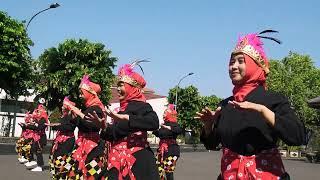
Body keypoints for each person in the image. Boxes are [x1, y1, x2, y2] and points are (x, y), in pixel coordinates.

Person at [195, 30, 306, 179]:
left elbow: (297, 136)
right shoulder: (226, 104)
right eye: (231, 62)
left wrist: (263, 110)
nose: (233, 66)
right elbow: (212, 145)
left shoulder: (274, 100)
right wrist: (208, 126)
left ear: (255, 65)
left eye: (241, 61)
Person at [90, 61, 160, 180]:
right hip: (116, 158)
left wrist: (127, 118)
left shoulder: (142, 106)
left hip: (138, 160)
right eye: (118, 85)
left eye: (121, 85)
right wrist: (104, 127)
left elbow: (154, 122)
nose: (118, 89)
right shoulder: (121, 109)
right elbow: (115, 134)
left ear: (132, 88)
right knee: (92, 171)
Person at [65, 75, 108, 179]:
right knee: (70, 169)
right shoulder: (88, 108)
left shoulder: (97, 108)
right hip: (81, 144)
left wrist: (78, 113)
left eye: (81, 93)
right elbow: (81, 125)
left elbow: (92, 125)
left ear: (89, 93)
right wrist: (74, 116)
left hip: (93, 147)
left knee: (91, 174)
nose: (80, 96)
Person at [48, 97, 76, 179]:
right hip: (60, 140)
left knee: (62, 159)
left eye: (64, 106)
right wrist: (55, 126)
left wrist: (58, 126)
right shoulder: (63, 116)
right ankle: (57, 175)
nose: (62, 107)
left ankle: (62, 176)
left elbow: (70, 127)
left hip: (67, 141)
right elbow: (61, 126)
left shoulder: (71, 116)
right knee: (56, 157)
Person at [153, 104, 182, 180]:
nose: (163, 115)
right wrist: (154, 129)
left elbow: (179, 130)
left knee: (168, 171)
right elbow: (160, 134)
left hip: (172, 151)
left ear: (170, 115)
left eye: (165, 113)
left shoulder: (175, 125)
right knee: (157, 170)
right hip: (161, 151)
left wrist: (169, 128)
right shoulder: (163, 125)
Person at [24, 98, 49, 172]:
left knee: (38, 151)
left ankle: (40, 166)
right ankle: (34, 162)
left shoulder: (43, 119)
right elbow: (36, 126)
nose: (37, 112)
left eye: (39, 111)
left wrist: (29, 126)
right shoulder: (39, 119)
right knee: (33, 148)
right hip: (37, 137)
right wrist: (28, 125)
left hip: (41, 137)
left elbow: (39, 128)